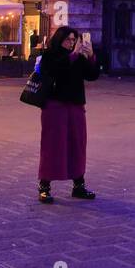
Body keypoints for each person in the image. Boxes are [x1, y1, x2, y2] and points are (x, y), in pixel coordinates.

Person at [35, 26, 101, 204]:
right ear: (60, 39)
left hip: (76, 105)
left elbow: (92, 75)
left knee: (77, 145)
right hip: (55, 106)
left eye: (74, 40)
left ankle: (78, 185)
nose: (71, 43)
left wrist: (91, 56)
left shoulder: (77, 56)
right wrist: (73, 55)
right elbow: (55, 70)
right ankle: (44, 186)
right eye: (68, 40)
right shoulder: (50, 55)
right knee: (53, 145)